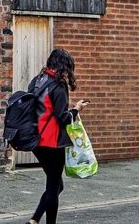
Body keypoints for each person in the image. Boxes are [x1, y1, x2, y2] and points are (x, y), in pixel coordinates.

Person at [27, 49, 88, 224]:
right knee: (53, 187)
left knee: (56, 184)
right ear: (64, 65)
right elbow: (63, 118)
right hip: (52, 142)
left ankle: (34, 220)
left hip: (35, 141)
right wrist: (76, 109)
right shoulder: (58, 85)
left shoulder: (37, 81)